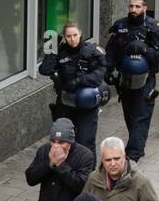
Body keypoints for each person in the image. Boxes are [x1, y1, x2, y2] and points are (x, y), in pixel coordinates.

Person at [103, 0, 159, 162]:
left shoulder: (154, 27)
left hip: (146, 80)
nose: (134, 10)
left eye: (137, 6)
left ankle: (133, 154)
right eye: (131, 6)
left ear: (145, 8)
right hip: (124, 79)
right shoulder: (121, 26)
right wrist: (108, 71)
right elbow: (111, 50)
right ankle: (137, 145)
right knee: (130, 115)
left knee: (141, 115)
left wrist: (145, 51)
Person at [37, 22, 108, 154]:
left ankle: (88, 173)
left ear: (80, 34)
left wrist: (79, 81)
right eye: (68, 36)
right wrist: (52, 49)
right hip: (65, 105)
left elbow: (99, 75)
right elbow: (45, 70)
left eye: (75, 35)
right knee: (64, 142)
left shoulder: (91, 51)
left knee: (85, 142)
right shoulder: (60, 52)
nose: (72, 39)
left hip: (86, 106)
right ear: (64, 36)